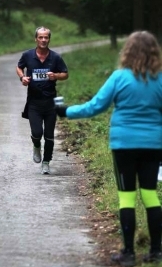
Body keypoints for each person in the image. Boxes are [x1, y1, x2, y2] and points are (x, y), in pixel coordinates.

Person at [56, 30, 162, 266]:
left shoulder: (119, 77)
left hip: (124, 144)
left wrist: (66, 111)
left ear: (128, 51)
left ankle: (128, 254)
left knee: (127, 197)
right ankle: (156, 251)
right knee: (149, 194)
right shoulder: (160, 80)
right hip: (154, 144)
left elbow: (95, 106)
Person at [16, 26, 68, 174]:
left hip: (51, 101)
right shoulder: (27, 55)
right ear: (36, 39)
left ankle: (46, 162)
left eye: (46, 37)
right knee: (37, 132)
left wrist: (56, 76)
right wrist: (23, 77)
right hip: (34, 102)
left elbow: (65, 74)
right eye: (41, 37)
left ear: (49, 39)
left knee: (50, 135)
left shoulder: (55, 57)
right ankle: (36, 146)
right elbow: (19, 67)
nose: (43, 40)